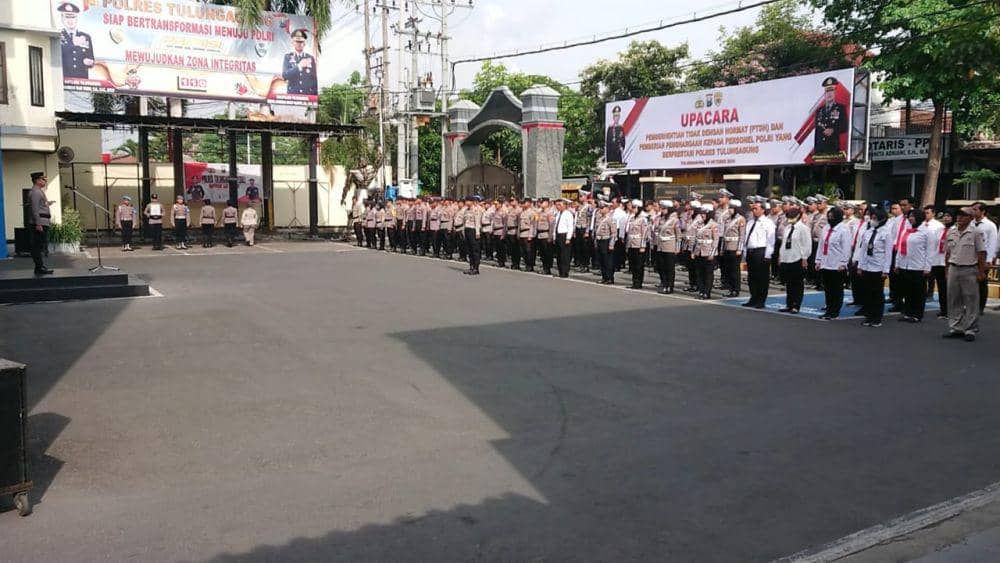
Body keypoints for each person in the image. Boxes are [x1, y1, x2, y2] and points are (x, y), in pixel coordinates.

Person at [943, 207, 988, 341]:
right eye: (958, 215)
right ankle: (956, 327)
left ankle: (970, 329)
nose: (959, 218)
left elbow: (981, 253)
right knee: (953, 299)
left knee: (971, 300)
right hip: (953, 268)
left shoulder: (976, 232)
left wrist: (981, 271)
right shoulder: (951, 232)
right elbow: (948, 253)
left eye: (963, 215)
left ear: (970, 218)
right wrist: (946, 270)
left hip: (969, 268)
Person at [894, 209, 934, 323]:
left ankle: (917, 314)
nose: (911, 218)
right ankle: (907, 312)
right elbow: (900, 249)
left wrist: (927, 267)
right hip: (904, 265)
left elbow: (930, 251)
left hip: (918, 266)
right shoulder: (906, 231)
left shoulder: (926, 232)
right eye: (909, 216)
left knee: (918, 292)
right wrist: (897, 263)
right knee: (907, 290)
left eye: (913, 216)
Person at [856, 207, 893, 327]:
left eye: (875, 218)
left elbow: (888, 253)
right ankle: (869, 316)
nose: (872, 220)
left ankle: (877, 317)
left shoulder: (886, 233)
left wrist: (886, 270)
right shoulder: (868, 231)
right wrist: (860, 265)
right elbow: (863, 250)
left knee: (877, 293)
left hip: (878, 266)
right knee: (868, 292)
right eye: (872, 218)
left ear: (882, 219)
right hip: (867, 265)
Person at [815, 207, 853, 319]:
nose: (830, 218)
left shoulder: (844, 230)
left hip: (837, 264)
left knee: (836, 288)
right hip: (826, 262)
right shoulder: (826, 228)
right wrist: (818, 260)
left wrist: (843, 262)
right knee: (828, 288)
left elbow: (846, 248)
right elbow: (821, 246)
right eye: (829, 216)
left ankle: (835, 311)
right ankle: (829, 308)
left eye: (832, 217)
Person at [743, 198, 776, 308]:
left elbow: (771, 240)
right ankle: (753, 298)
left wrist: (768, 255)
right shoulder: (750, 222)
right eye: (752, 209)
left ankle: (761, 300)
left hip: (761, 251)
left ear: (762, 210)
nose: (753, 211)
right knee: (752, 277)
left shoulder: (768, 223)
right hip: (751, 251)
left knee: (762, 277)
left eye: (756, 209)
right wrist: (745, 251)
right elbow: (746, 237)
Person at [779, 207, 811, 314]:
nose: (789, 219)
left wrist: (805, 257)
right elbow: (784, 243)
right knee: (789, 283)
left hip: (797, 258)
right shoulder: (788, 228)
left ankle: (796, 305)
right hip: (787, 257)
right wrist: (781, 256)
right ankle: (789, 304)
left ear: (798, 217)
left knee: (797, 283)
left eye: (792, 217)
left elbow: (807, 244)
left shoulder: (803, 228)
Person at [921, 205, 948, 318]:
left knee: (940, 284)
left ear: (933, 214)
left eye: (928, 212)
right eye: (925, 212)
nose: (926, 215)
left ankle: (943, 308)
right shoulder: (921, 224)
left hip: (938, 258)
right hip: (924, 256)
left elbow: (938, 243)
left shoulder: (938, 226)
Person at [971, 202, 997, 314]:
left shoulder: (990, 225)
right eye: (972, 209)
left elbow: (992, 243)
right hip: (970, 257)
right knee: (970, 283)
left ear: (983, 211)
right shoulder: (970, 223)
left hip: (983, 258)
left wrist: (989, 259)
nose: (973, 211)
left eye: (976, 209)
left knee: (981, 282)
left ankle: (980, 307)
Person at [813, 77, 848, 161]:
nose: (829, 94)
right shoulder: (819, 111)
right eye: (827, 91)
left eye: (831, 90)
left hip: (833, 149)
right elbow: (817, 129)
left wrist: (833, 130)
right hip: (820, 151)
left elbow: (845, 126)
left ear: (835, 92)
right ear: (824, 93)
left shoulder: (840, 108)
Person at [58, 2, 95, 80]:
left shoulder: (86, 37)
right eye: (67, 17)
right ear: (62, 18)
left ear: (77, 18)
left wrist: (89, 62)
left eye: (73, 17)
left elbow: (91, 58)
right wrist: (73, 44)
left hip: (82, 83)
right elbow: (57, 55)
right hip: (64, 80)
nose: (70, 20)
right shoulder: (58, 35)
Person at [27, 172, 53, 275]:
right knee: (37, 246)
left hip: (43, 222)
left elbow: (39, 206)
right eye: (43, 179)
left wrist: (47, 204)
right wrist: (38, 224)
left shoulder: (38, 191)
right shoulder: (35, 192)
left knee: (39, 245)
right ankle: (39, 267)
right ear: (37, 180)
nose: (45, 181)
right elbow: (34, 209)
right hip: (39, 223)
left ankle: (40, 266)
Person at [653, 200, 681, 294]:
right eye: (662, 208)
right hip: (661, 245)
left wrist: (677, 248)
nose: (662, 210)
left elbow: (678, 236)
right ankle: (664, 284)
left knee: (669, 268)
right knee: (662, 267)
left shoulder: (675, 220)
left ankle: (670, 286)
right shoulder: (661, 219)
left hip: (670, 246)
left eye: (664, 208)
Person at [692, 206, 720, 299]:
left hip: (708, 251)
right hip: (699, 251)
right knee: (699, 272)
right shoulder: (699, 224)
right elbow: (696, 238)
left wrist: (712, 253)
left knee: (708, 273)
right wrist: (693, 251)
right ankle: (701, 290)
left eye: (705, 214)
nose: (703, 215)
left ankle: (707, 292)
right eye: (702, 214)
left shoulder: (713, 225)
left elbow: (716, 240)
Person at [282, 29, 318, 95]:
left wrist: (314, 97)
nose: (299, 44)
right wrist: (299, 66)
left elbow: (314, 80)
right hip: (292, 95)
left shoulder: (310, 58)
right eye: (297, 41)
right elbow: (285, 75)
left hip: (307, 95)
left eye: (301, 42)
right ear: (292, 43)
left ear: (304, 44)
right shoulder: (287, 57)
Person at [625, 201, 651, 289]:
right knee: (633, 264)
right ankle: (634, 281)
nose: (632, 209)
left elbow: (644, 233)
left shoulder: (643, 219)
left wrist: (643, 245)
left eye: (634, 207)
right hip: (632, 244)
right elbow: (629, 232)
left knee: (639, 265)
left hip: (639, 244)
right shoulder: (632, 218)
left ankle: (638, 282)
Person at [593, 202, 618, 284]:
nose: (600, 209)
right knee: (601, 260)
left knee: (608, 261)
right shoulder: (599, 218)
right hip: (599, 240)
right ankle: (604, 277)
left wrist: (611, 244)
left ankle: (610, 278)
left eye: (602, 208)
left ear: (607, 208)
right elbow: (596, 230)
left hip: (606, 240)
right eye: (600, 208)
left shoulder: (611, 219)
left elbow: (614, 233)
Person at [554, 199, 575, 278]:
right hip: (558, 235)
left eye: (560, 205)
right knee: (559, 254)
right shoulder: (558, 213)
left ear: (564, 205)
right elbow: (556, 225)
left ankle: (565, 271)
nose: (558, 206)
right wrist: (554, 236)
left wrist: (568, 238)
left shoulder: (568, 214)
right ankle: (560, 271)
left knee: (565, 255)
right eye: (557, 205)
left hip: (564, 235)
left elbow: (570, 226)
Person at [463, 197, 483, 275]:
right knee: (469, 250)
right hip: (467, 230)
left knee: (475, 250)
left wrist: (477, 233)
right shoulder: (466, 210)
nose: (466, 202)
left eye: (468, 201)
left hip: (473, 230)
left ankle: (476, 268)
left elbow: (477, 222)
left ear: (472, 202)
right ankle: (471, 266)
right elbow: (464, 222)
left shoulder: (476, 210)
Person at [518, 200, 537, 272]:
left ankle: (530, 265)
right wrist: (518, 233)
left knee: (529, 251)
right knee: (523, 251)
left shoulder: (532, 213)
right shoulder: (522, 213)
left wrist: (531, 235)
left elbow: (533, 225)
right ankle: (526, 264)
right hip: (522, 234)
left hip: (528, 233)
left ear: (529, 203)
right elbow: (519, 224)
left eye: (524, 203)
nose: (523, 204)